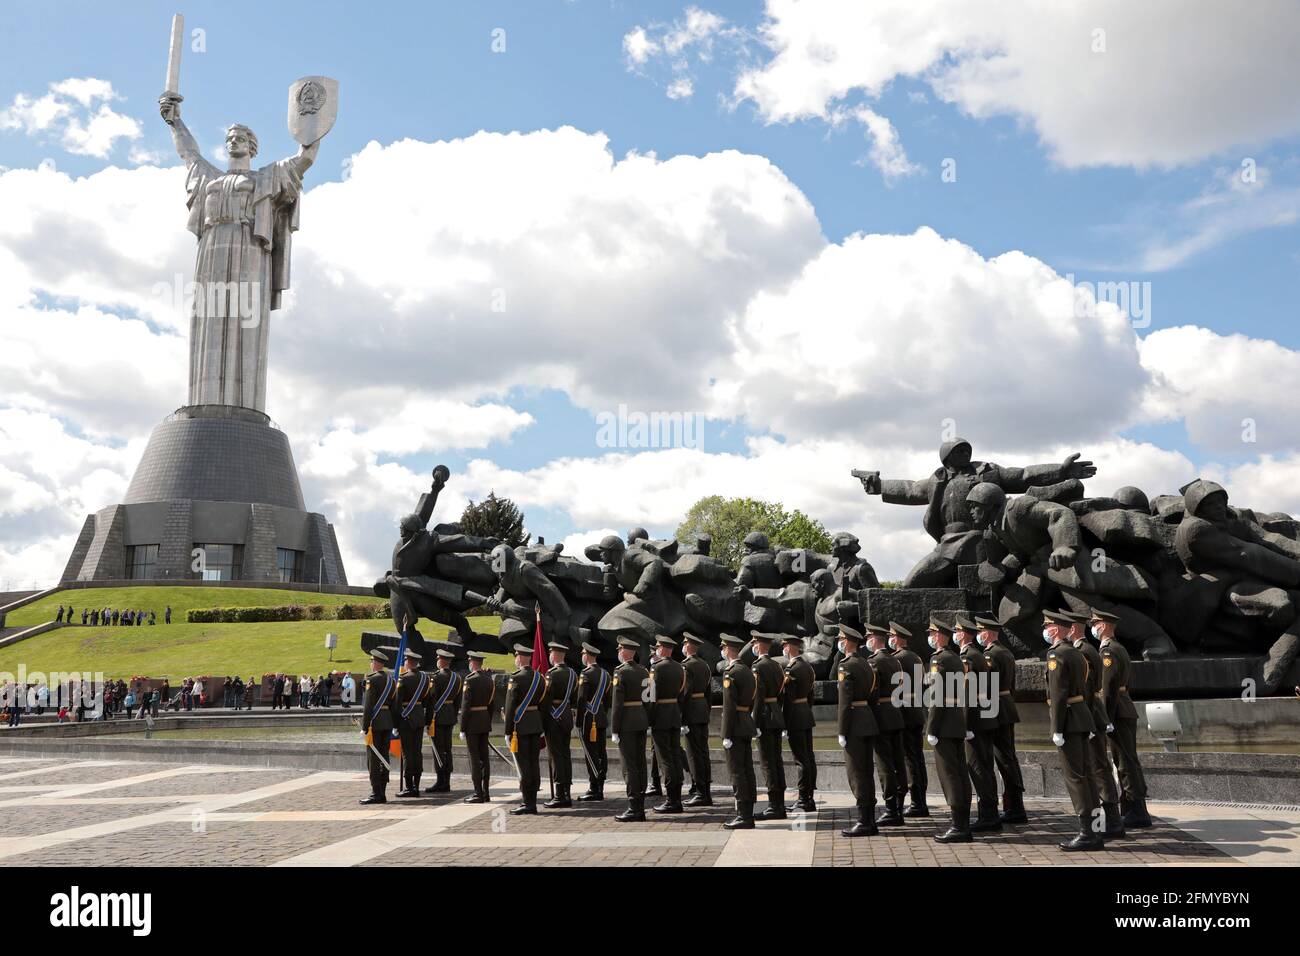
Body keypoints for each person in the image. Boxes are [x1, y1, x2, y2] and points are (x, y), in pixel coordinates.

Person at [1043, 610, 1103, 850]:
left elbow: (1058, 694)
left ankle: (1086, 832)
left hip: (1068, 719)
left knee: (1075, 776)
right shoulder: (1077, 653)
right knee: (1087, 775)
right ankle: (1096, 828)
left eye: (1047, 627)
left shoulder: (1057, 655)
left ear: (1055, 630)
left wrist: (1056, 728)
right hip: (1081, 717)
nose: (1045, 632)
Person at [1091, 607, 1152, 829]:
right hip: (1124, 707)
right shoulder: (1119, 648)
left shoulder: (1108, 652)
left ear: (1105, 625)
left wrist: (1105, 718)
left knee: (1124, 762)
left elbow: (1107, 689)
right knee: (1127, 760)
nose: (1093, 628)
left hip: (1117, 711)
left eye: (1095, 623)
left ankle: (1137, 810)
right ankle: (1134, 807)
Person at [1066, 610, 1123, 840]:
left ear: (1072, 629)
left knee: (1098, 768)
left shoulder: (1084, 652)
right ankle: (1108, 820)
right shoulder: (1086, 650)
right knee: (1097, 767)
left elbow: (1088, 690)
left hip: (1090, 716)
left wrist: (1088, 720)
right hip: (1091, 716)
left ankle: (1112, 820)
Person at [975, 615, 1027, 823]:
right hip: (1006, 706)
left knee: (1002, 759)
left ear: (987, 633)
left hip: (994, 707)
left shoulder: (990, 655)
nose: (978, 635)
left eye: (980, 631)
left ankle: (1013, 807)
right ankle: (1015, 805)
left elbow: (987, 687)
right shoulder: (1005, 652)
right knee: (1008, 757)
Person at [926, 617, 973, 843]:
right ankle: (963, 822)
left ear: (939, 636)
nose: (931, 638)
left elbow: (936, 697)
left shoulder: (939, 660)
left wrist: (932, 727)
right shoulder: (955, 658)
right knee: (960, 773)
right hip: (956, 720)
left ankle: (958, 826)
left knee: (949, 774)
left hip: (944, 723)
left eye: (933, 634)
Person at [953, 614, 1002, 832]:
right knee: (985, 766)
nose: (954, 635)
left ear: (963, 634)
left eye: (956, 632)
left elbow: (967, 695)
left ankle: (988, 816)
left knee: (977, 768)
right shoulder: (978, 655)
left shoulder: (968, 658)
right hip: (985, 718)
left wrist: (964, 725)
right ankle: (990, 813)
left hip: (975, 722)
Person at [834, 625, 880, 837]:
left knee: (856, 773)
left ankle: (864, 820)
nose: (839, 642)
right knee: (866, 772)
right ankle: (869, 817)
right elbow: (872, 696)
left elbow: (844, 703)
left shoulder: (846, 666)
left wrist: (842, 730)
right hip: (868, 720)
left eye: (841, 639)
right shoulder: (865, 664)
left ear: (848, 642)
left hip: (853, 723)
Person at [863, 624, 906, 826]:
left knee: (884, 765)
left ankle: (891, 809)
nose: (867, 641)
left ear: (874, 639)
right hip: (896, 714)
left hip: (881, 716)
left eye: (868, 637)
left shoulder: (874, 662)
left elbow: (871, 693)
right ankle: (900, 804)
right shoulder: (895, 661)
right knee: (898, 762)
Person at [888, 622, 929, 817]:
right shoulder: (916, 658)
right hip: (917, 711)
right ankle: (921, 799)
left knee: (908, 759)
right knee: (917, 757)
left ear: (896, 638)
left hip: (903, 712)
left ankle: (916, 803)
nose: (890, 639)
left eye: (891, 636)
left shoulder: (897, 660)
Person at [719, 633, 757, 830]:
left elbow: (729, 706)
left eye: (723, 647)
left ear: (728, 649)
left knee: (737, 772)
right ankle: (748, 810)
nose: (722, 650)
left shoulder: (731, 672)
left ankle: (743, 814)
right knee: (747, 769)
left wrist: (726, 734)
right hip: (745, 723)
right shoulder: (748, 671)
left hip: (734, 726)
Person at [610, 636, 649, 822]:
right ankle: (640, 803)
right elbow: (650, 699)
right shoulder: (644, 671)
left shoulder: (620, 673)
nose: (618, 652)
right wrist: (646, 719)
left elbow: (617, 704)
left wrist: (615, 729)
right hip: (641, 720)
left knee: (629, 766)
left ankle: (634, 807)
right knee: (640, 762)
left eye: (619, 650)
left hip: (626, 723)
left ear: (625, 652)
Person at [502, 644, 544, 815]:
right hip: (535, 724)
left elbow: (510, 706)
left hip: (520, 726)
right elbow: (542, 703)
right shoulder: (539, 678)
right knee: (534, 762)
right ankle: (532, 800)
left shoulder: (515, 678)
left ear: (519, 658)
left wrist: (507, 730)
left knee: (523, 764)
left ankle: (528, 802)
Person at [750, 633, 788, 820]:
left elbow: (757, 697)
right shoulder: (777, 666)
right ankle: (779, 802)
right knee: (777, 760)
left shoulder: (758, 666)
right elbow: (781, 693)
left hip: (764, 717)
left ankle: (774, 805)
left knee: (767, 763)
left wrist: (754, 722)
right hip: (776, 714)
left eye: (754, 643)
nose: (753, 646)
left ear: (759, 645)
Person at [780, 633, 818, 813]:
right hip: (806, 715)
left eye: (785, 646)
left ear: (791, 647)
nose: (783, 649)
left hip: (795, 716)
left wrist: (785, 724)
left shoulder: (791, 669)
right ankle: (809, 796)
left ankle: (803, 799)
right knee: (808, 757)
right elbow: (811, 696)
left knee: (800, 760)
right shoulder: (808, 667)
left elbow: (788, 700)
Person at [647, 635, 685, 814]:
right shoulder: (680, 668)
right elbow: (682, 694)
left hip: (660, 716)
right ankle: (677, 795)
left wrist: (649, 718)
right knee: (675, 755)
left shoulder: (656, 668)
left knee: (665, 759)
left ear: (662, 649)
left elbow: (649, 697)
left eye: (657, 648)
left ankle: (672, 799)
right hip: (674, 714)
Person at [542, 640, 576, 809]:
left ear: (554, 655)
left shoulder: (551, 674)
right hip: (567, 716)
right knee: (565, 755)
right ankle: (567, 792)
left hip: (553, 717)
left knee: (556, 756)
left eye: (550, 653)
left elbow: (546, 698)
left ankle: (559, 795)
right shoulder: (572, 674)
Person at [680, 634, 713, 807]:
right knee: (703, 752)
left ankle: (701, 792)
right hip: (702, 712)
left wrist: (683, 719)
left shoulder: (686, 666)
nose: (683, 646)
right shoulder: (705, 665)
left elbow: (685, 694)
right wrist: (706, 711)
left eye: (684, 644)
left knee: (693, 754)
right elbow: (708, 693)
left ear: (688, 646)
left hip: (691, 712)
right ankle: (706, 789)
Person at [575, 641, 610, 802]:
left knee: (591, 753)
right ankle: (600, 785)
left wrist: (579, 721)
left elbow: (581, 699)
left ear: (587, 656)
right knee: (601, 752)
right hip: (601, 717)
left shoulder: (586, 674)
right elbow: (608, 700)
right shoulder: (605, 674)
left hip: (589, 719)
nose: (582, 656)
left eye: (583, 654)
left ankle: (594, 787)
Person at [360, 649, 396, 805]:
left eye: (371, 661)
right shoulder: (391, 680)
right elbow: (394, 705)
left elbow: (368, 706)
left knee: (373, 759)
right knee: (384, 756)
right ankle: (383, 789)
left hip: (375, 722)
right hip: (387, 722)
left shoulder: (372, 680)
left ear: (375, 663)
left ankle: (376, 792)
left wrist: (365, 725)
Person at [458, 651, 495, 803]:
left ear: (472, 663)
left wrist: (462, 728)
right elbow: (491, 705)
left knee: (474, 758)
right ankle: (486, 792)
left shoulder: (469, 680)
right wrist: (487, 719)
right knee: (484, 758)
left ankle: (478, 793)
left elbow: (465, 707)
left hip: (472, 723)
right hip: (484, 721)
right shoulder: (488, 680)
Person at [425, 649, 462, 794]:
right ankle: (447, 780)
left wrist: (428, 720)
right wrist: (452, 714)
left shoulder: (435, 678)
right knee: (448, 749)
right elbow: (458, 702)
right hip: (450, 717)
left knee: (438, 750)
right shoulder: (457, 678)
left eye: (438, 658)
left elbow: (431, 700)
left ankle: (441, 781)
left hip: (437, 718)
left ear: (441, 661)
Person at [395, 650, 430, 797]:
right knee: (417, 752)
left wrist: (396, 724)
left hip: (406, 719)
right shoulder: (425, 679)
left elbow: (397, 703)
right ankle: (417, 784)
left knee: (407, 753)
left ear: (408, 662)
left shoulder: (403, 679)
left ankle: (409, 787)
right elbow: (428, 702)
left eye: (405, 661)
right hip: (419, 718)